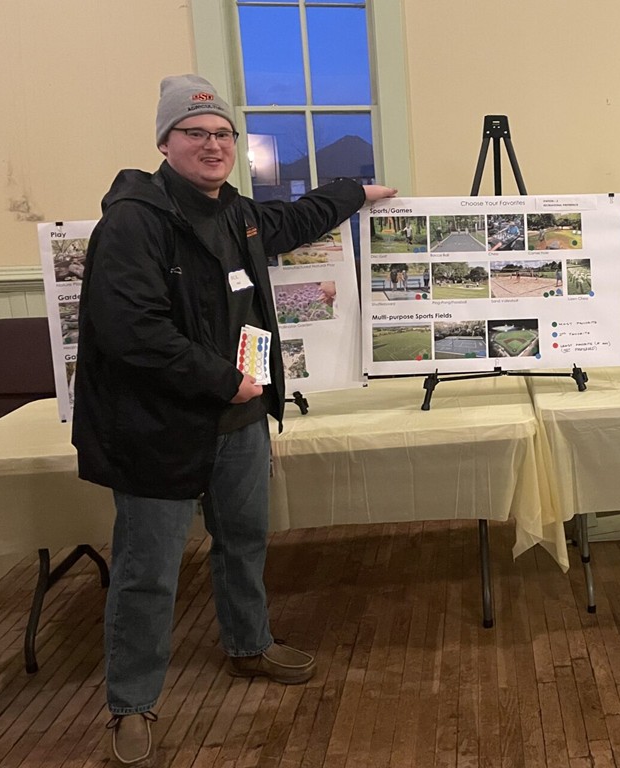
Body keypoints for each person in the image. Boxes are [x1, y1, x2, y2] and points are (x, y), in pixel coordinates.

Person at [73, 74, 397, 767]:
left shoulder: (237, 214)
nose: (213, 145)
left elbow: (293, 222)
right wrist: (224, 380)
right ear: (165, 143)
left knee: (244, 540)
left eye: (223, 134)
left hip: (239, 422)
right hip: (158, 430)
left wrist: (355, 193)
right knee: (148, 572)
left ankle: (249, 645)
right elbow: (133, 330)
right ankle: (131, 704)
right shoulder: (132, 221)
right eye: (196, 133)